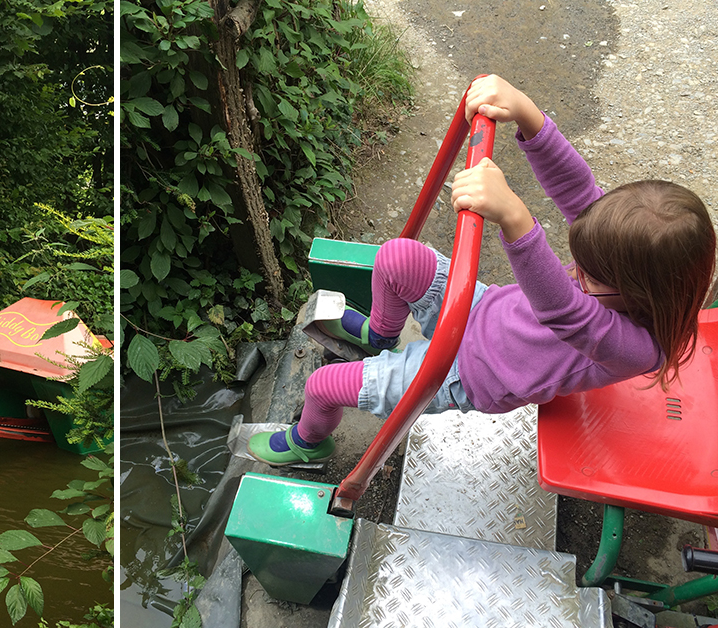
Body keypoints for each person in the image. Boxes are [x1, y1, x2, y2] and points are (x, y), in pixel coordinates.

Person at [249, 74, 716, 466]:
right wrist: (528, 114)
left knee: (323, 385)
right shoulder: (621, 258)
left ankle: (310, 443)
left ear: (644, 292)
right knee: (396, 257)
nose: (578, 272)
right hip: (481, 308)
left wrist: (516, 220)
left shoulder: (638, 349)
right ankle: (380, 336)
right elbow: (578, 190)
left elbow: (564, 312)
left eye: (591, 276)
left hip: (468, 373)